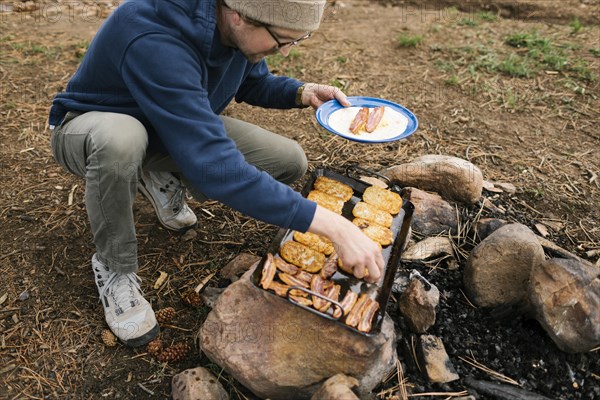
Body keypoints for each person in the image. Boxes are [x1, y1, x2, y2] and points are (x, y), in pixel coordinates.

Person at [48, 0, 384, 347]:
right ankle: (115, 267)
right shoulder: (155, 34)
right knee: (122, 141)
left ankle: (154, 174)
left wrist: (301, 92)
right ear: (239, 17)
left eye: (296, 41)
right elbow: (214, 164)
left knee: (288, 160)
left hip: (169, 124)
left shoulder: (234, 21)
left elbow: (253, 81)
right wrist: (334, 226)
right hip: (89, 126)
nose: (284, 51)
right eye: (282, 40)